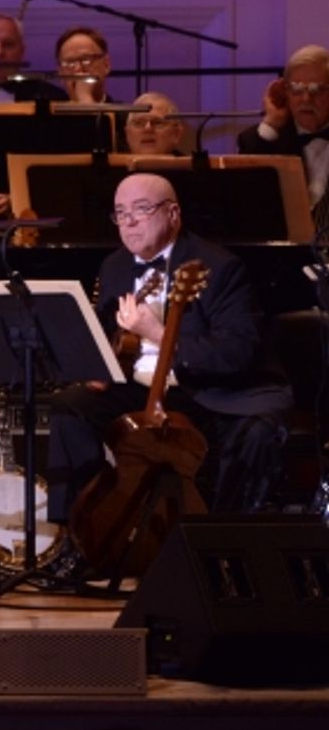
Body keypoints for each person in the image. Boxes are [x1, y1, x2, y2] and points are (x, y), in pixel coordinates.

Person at [46, 173, 291, 533]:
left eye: (141, 210)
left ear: (173, 214)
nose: (128, 222)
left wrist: (159, 334)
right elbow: (101, 333)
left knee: (254, 434)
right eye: (119, 213)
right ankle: (83, 533)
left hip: (205, 391)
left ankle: (221, 544)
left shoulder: (220, 267)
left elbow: (235, 353)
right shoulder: (114, 266)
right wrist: (96, 367)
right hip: (140, 386)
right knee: (69, 407)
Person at [237, 44, 329, 227]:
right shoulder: (266, 137)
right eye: (296, 89)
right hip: (281, 252)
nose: (305, 99)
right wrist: (272, 122)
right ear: (285, 92)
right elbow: (242, 193)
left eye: (317, 89)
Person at [55, 26, 114, 104]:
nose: (78, 69)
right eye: (70, 63)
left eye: (86, 60)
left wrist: (84, 97)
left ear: (106, 64)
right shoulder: (48, 115)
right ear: (60, 72)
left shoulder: (126, 115)